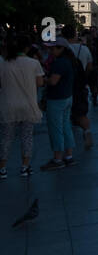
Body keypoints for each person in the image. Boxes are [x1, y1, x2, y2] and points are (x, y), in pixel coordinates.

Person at [0, 35, 45, 179]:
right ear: (27, 48)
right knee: (27, 137)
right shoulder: (33, 63)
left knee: (7, 137)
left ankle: (2, 168)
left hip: (8, 104)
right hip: (28, 105)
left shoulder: (4, 63)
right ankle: (25, 167)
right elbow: (40, 83)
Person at [41, 38, 76, 170]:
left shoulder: (60, 63)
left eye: (53, 48)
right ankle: (69, 156)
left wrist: (44, 79)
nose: (50, 50)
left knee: (56, 128)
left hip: (56, 99)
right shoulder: (68, 61)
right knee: (66, 126)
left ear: (61, 49)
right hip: (67, 97)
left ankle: (57, 158)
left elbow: (53, 81)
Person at [65, 26, 94, 150]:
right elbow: (89, 66)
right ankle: (87, 131)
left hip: (65, 86)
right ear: (75, 35)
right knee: (81, 111)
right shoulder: (84, 49)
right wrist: (83, 77)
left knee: (65, 113)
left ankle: (68, 142)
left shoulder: (63, 49)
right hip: (80, 85)